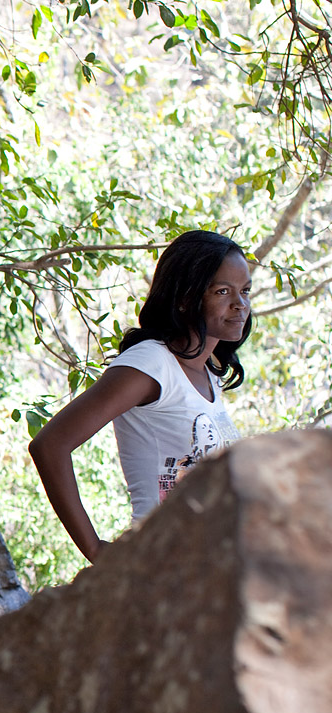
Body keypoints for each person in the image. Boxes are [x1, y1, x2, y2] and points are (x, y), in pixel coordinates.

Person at [29, 229, 252, 562]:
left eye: (245, 291)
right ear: (185, 297)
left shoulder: (208, 373)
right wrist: (96, 550)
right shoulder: (150, 363)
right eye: (223, 291)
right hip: (161, 565)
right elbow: (49, 445)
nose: (240, 304)